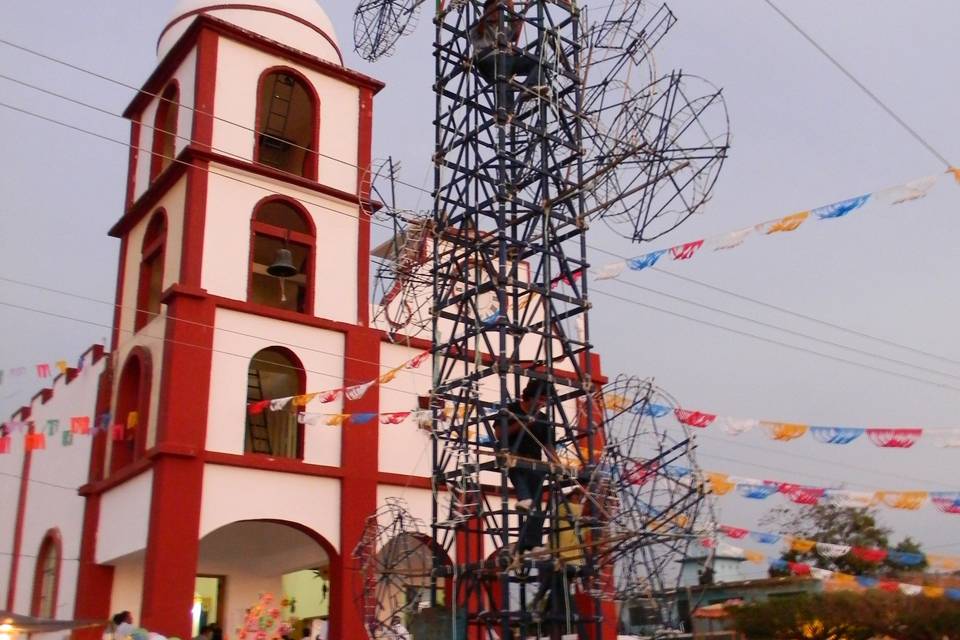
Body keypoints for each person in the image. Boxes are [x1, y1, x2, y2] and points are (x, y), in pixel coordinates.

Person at [469, 0, 549, 120]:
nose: (497, 14)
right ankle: (505, 109)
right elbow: (480, 29)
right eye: (494, 11)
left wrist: (511, 9)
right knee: (503, 77)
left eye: (498, 11)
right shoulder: (478, 25)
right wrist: (493, 9)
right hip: (488, 61)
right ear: (486, 12)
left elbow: (515, 33)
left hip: (506, 60)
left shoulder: (502, 28)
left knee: (535, 61)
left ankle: (532, 87)